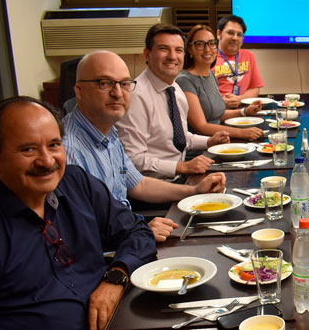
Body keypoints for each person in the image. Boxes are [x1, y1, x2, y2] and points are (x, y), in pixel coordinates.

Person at [0, 97, 156, 330]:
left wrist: (116, 277)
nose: (47, 161)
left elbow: (137, 232)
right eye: (27, 150)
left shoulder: (76, 183)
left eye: (54, 145)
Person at [64, 50, 227, 242]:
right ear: (79, 91)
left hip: (128, 231)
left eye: (124, 84)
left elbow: (138, 185)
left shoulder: (108, 131)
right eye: (104, 84)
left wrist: (193, 191)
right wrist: (137, 233)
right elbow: (80, 235)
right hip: (112, 249)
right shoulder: (68, 152)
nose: (117, 93)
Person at [115, 24, 229, 180]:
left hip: (179, 177)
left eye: (178, 50)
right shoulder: (136, 96)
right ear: (147, 54)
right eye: (163, 49)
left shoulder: (173, 87)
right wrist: (181, 167)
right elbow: (131, 160)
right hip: (152, 190)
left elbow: (180, 137)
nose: (172, 56)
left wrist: (209, 141)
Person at [176, 24, 264, 141]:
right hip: (202, 148)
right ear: (190, 49)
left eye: (212, 44)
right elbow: (201, 126)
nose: (207, 49)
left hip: (220, 140)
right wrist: (242, 133)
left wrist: (244, 111)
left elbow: (216, 114)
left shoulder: (210, 75)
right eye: (200, 44)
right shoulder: (184, 81)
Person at [213, 15, 263, 109]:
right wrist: (220, 101)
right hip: (218, 112)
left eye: (239, 34)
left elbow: (255, 88)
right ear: (219, 34)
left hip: (244, 112)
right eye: (230, 33)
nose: (235, 38)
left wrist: (240, 99)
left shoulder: (249, 56)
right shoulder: (209, 57)